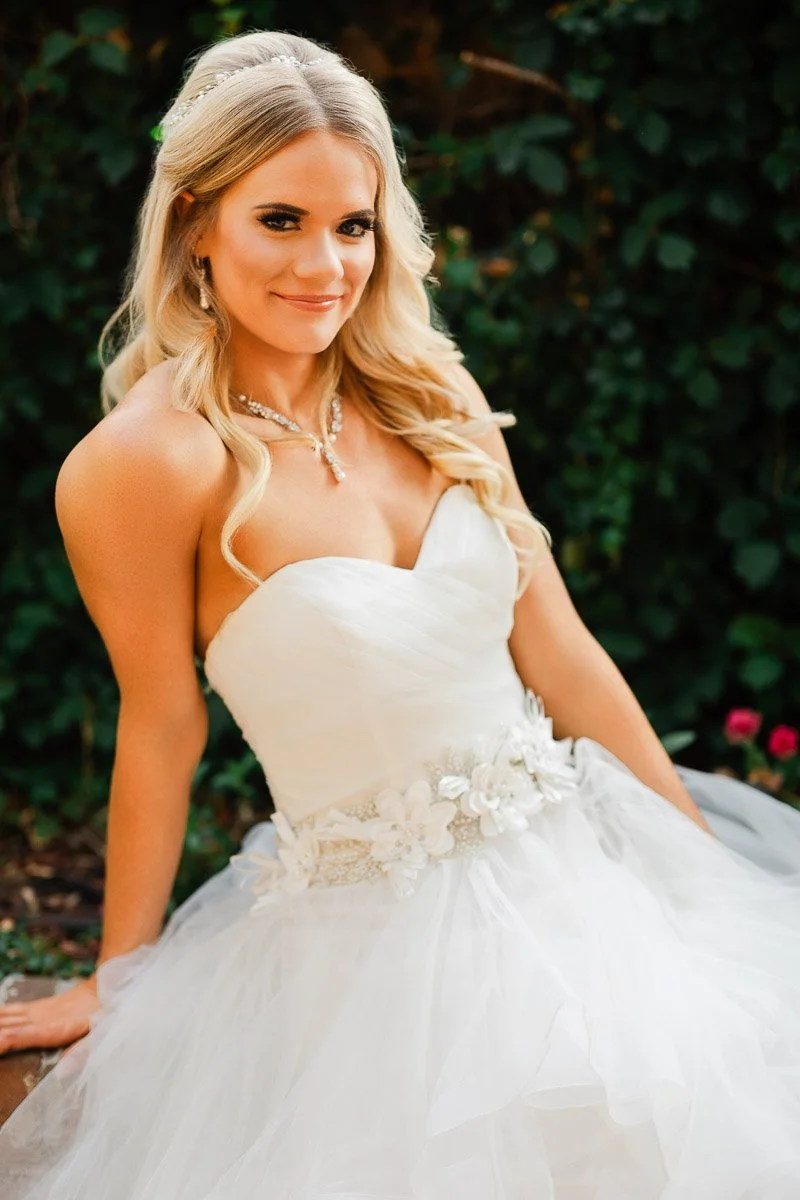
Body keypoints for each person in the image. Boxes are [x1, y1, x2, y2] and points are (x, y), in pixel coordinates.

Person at [1, 27, 800, 1199]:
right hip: (369, 965)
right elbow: (160, 725)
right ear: (193, 225)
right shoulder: (140, 465)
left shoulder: (434, 396)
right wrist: (116, 980)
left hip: (580, 891)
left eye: (353, 225)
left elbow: (561, 653)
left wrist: (692, 876)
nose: (324, 264)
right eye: (280, 220)